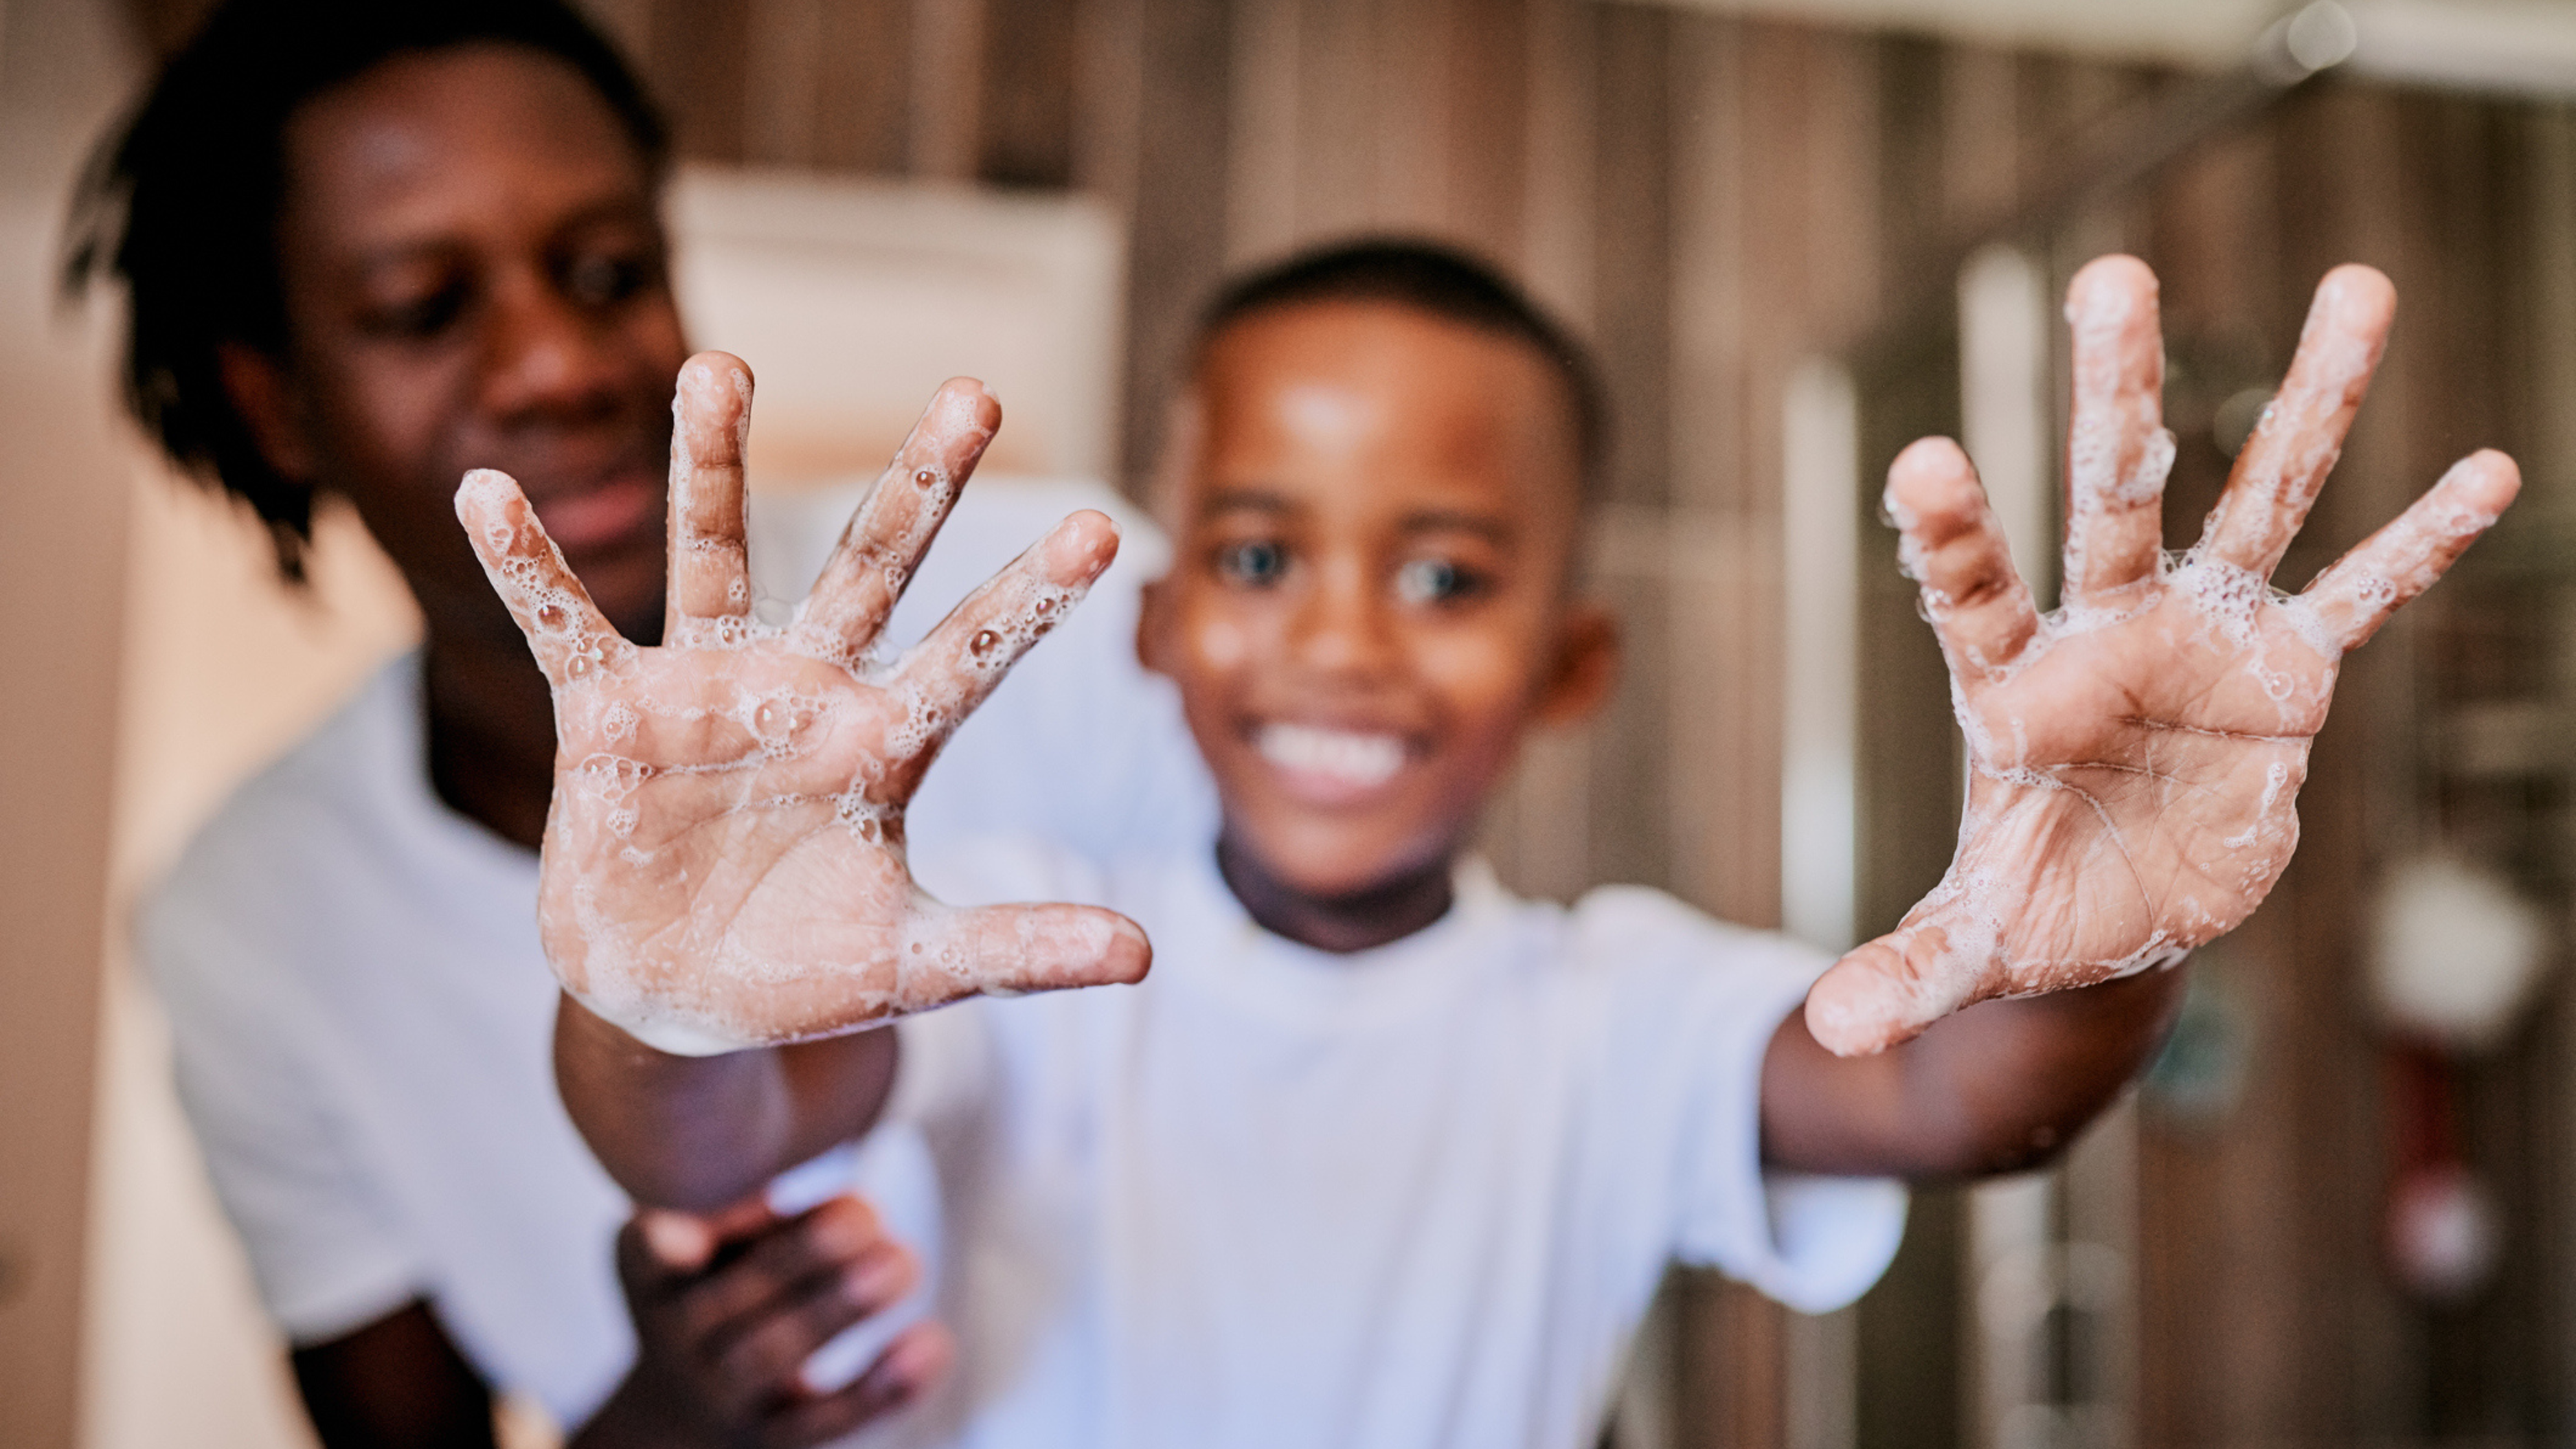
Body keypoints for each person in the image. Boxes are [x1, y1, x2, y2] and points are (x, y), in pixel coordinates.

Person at [490, 237, 2522, 1446]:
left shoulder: (1613, 1013)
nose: (1342, 641)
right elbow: (712, 1144)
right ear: (1160, 628)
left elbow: (1956, 1100)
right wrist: (663, 993)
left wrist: (2111, 940)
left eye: (1445, 575)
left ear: (1569, 665)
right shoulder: (1014, 941)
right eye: (1261, 556)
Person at [67, 2, 1206, 1444]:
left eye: (608, 270)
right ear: (274, 402)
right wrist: (670, 1410)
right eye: (423, 308)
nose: (560, 365)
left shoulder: (1050, 608)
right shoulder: (248, 922)